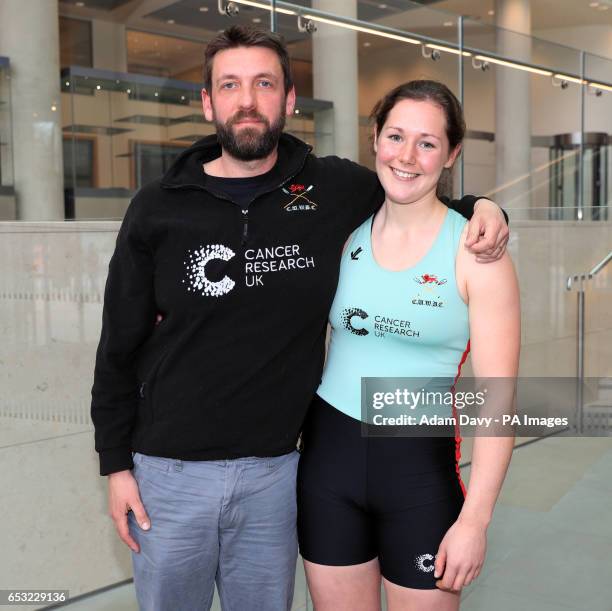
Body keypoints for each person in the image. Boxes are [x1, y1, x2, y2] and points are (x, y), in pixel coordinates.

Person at [90, 26, 510, 611]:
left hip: (276, 473)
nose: (247, 100)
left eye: (264, 84)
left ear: (289, 99)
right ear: (208, 102)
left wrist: (484, 207)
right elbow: (118, 346)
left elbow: (413, 188)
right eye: (229, 85)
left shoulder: (332, 188)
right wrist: (117, 464)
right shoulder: (157, 208)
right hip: (170, 474)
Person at [296, 80, 520, 611]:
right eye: (396, 136)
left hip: (417, 474)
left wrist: (475, 521)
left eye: (427, 143)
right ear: (374, 138)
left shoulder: (476, 253)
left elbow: (498, 403)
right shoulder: (341, 231)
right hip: (328, 463)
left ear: (451, 155)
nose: (407, 156)